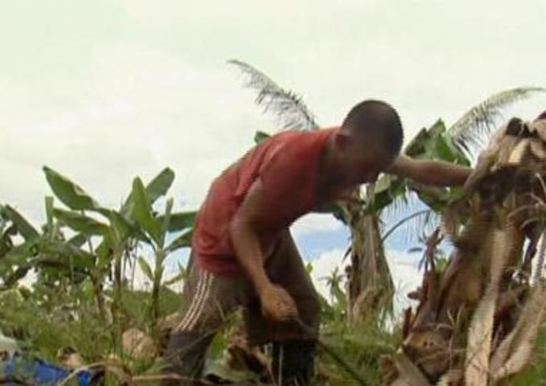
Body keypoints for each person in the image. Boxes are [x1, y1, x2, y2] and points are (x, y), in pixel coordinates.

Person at [162, 100, 472, 385]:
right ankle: (172, 380)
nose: (367, 178)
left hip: (272, 230)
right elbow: (242, 225)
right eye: (364, 169)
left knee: (304, 307)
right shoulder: (292, 159)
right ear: (342, 142)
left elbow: (422, 170)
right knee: (201, 318)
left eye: (375, 172)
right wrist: (264, 288)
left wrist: (479, 175)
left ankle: (291, 381)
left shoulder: (362, 151)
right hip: (227, 231)